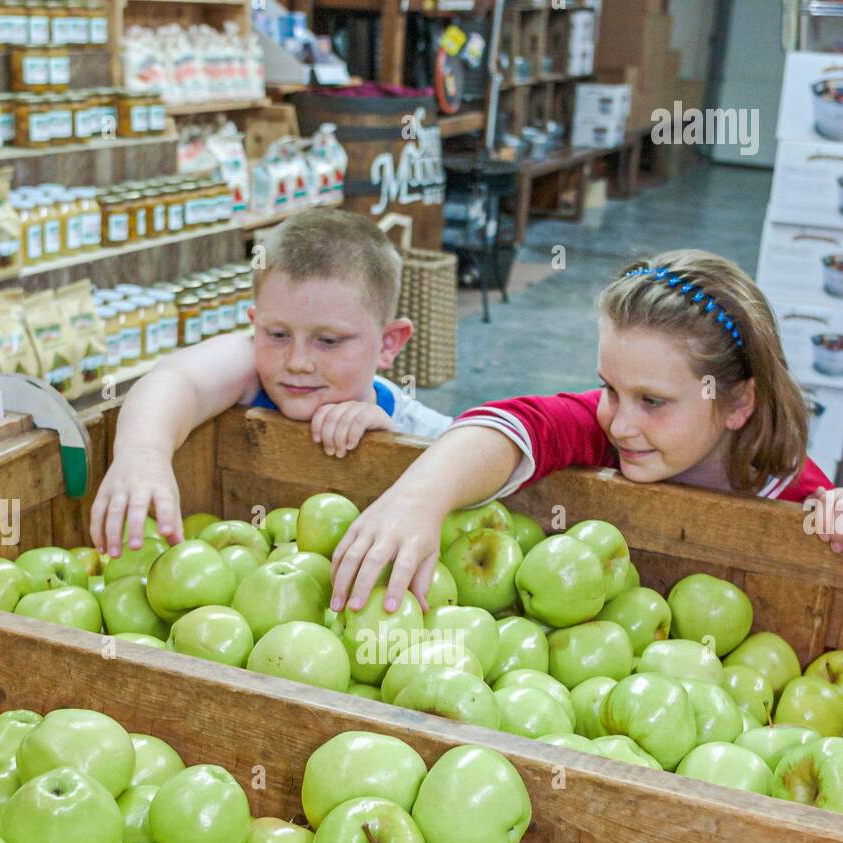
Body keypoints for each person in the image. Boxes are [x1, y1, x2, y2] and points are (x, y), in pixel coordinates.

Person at [329, 249, 843, 617]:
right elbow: (510, 425)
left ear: (738, 403)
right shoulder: (600, 430)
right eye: (610, 389)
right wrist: (419, 500)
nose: (620, 424)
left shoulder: (795, 493)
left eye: (653, 401)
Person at [90, 208, 453, 558]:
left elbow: (484, 453)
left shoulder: (421, 428)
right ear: (255, 323)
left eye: (328, 341)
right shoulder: (251, 371)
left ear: (388, 343)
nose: (296, 362)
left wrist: (393, 447)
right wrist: (143, 453)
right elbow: (175, 379)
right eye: (278, 334)